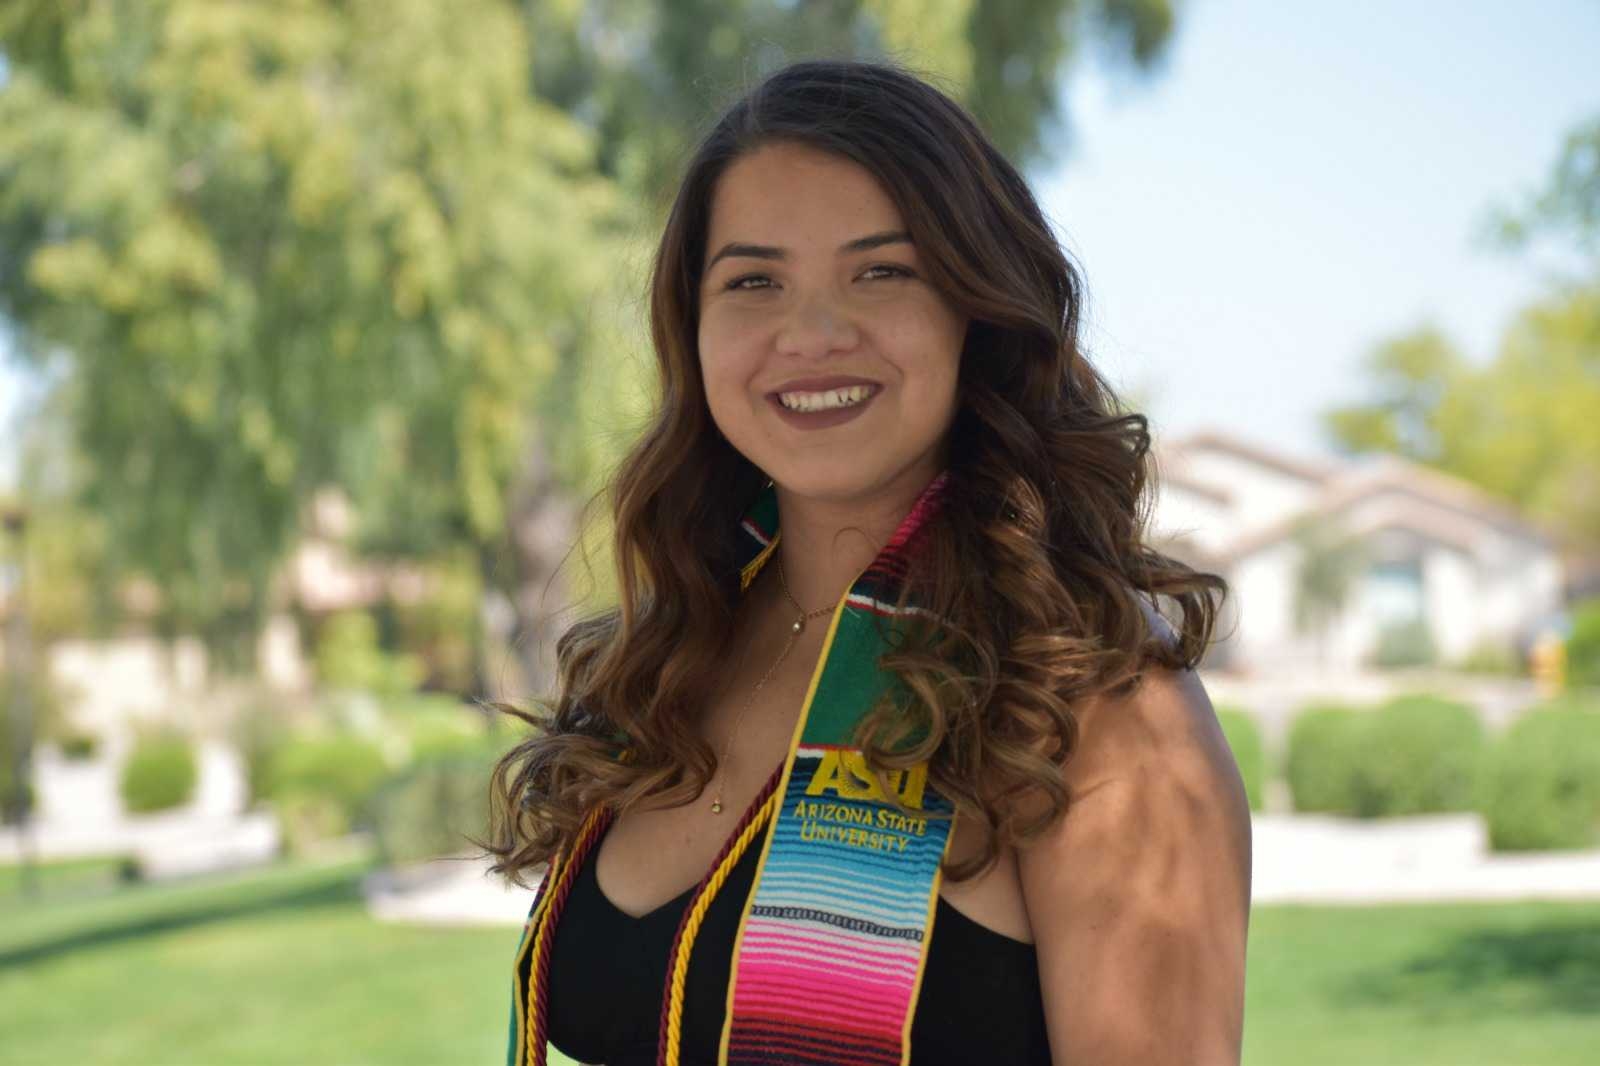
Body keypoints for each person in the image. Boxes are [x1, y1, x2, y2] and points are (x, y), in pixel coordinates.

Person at [485, 57, 1252, 1066]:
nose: (811, 333)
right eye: (753, 280)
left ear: (976, 312)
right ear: (695, 329)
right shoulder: (671, 664)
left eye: (881, 271)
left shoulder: (1093, 704)